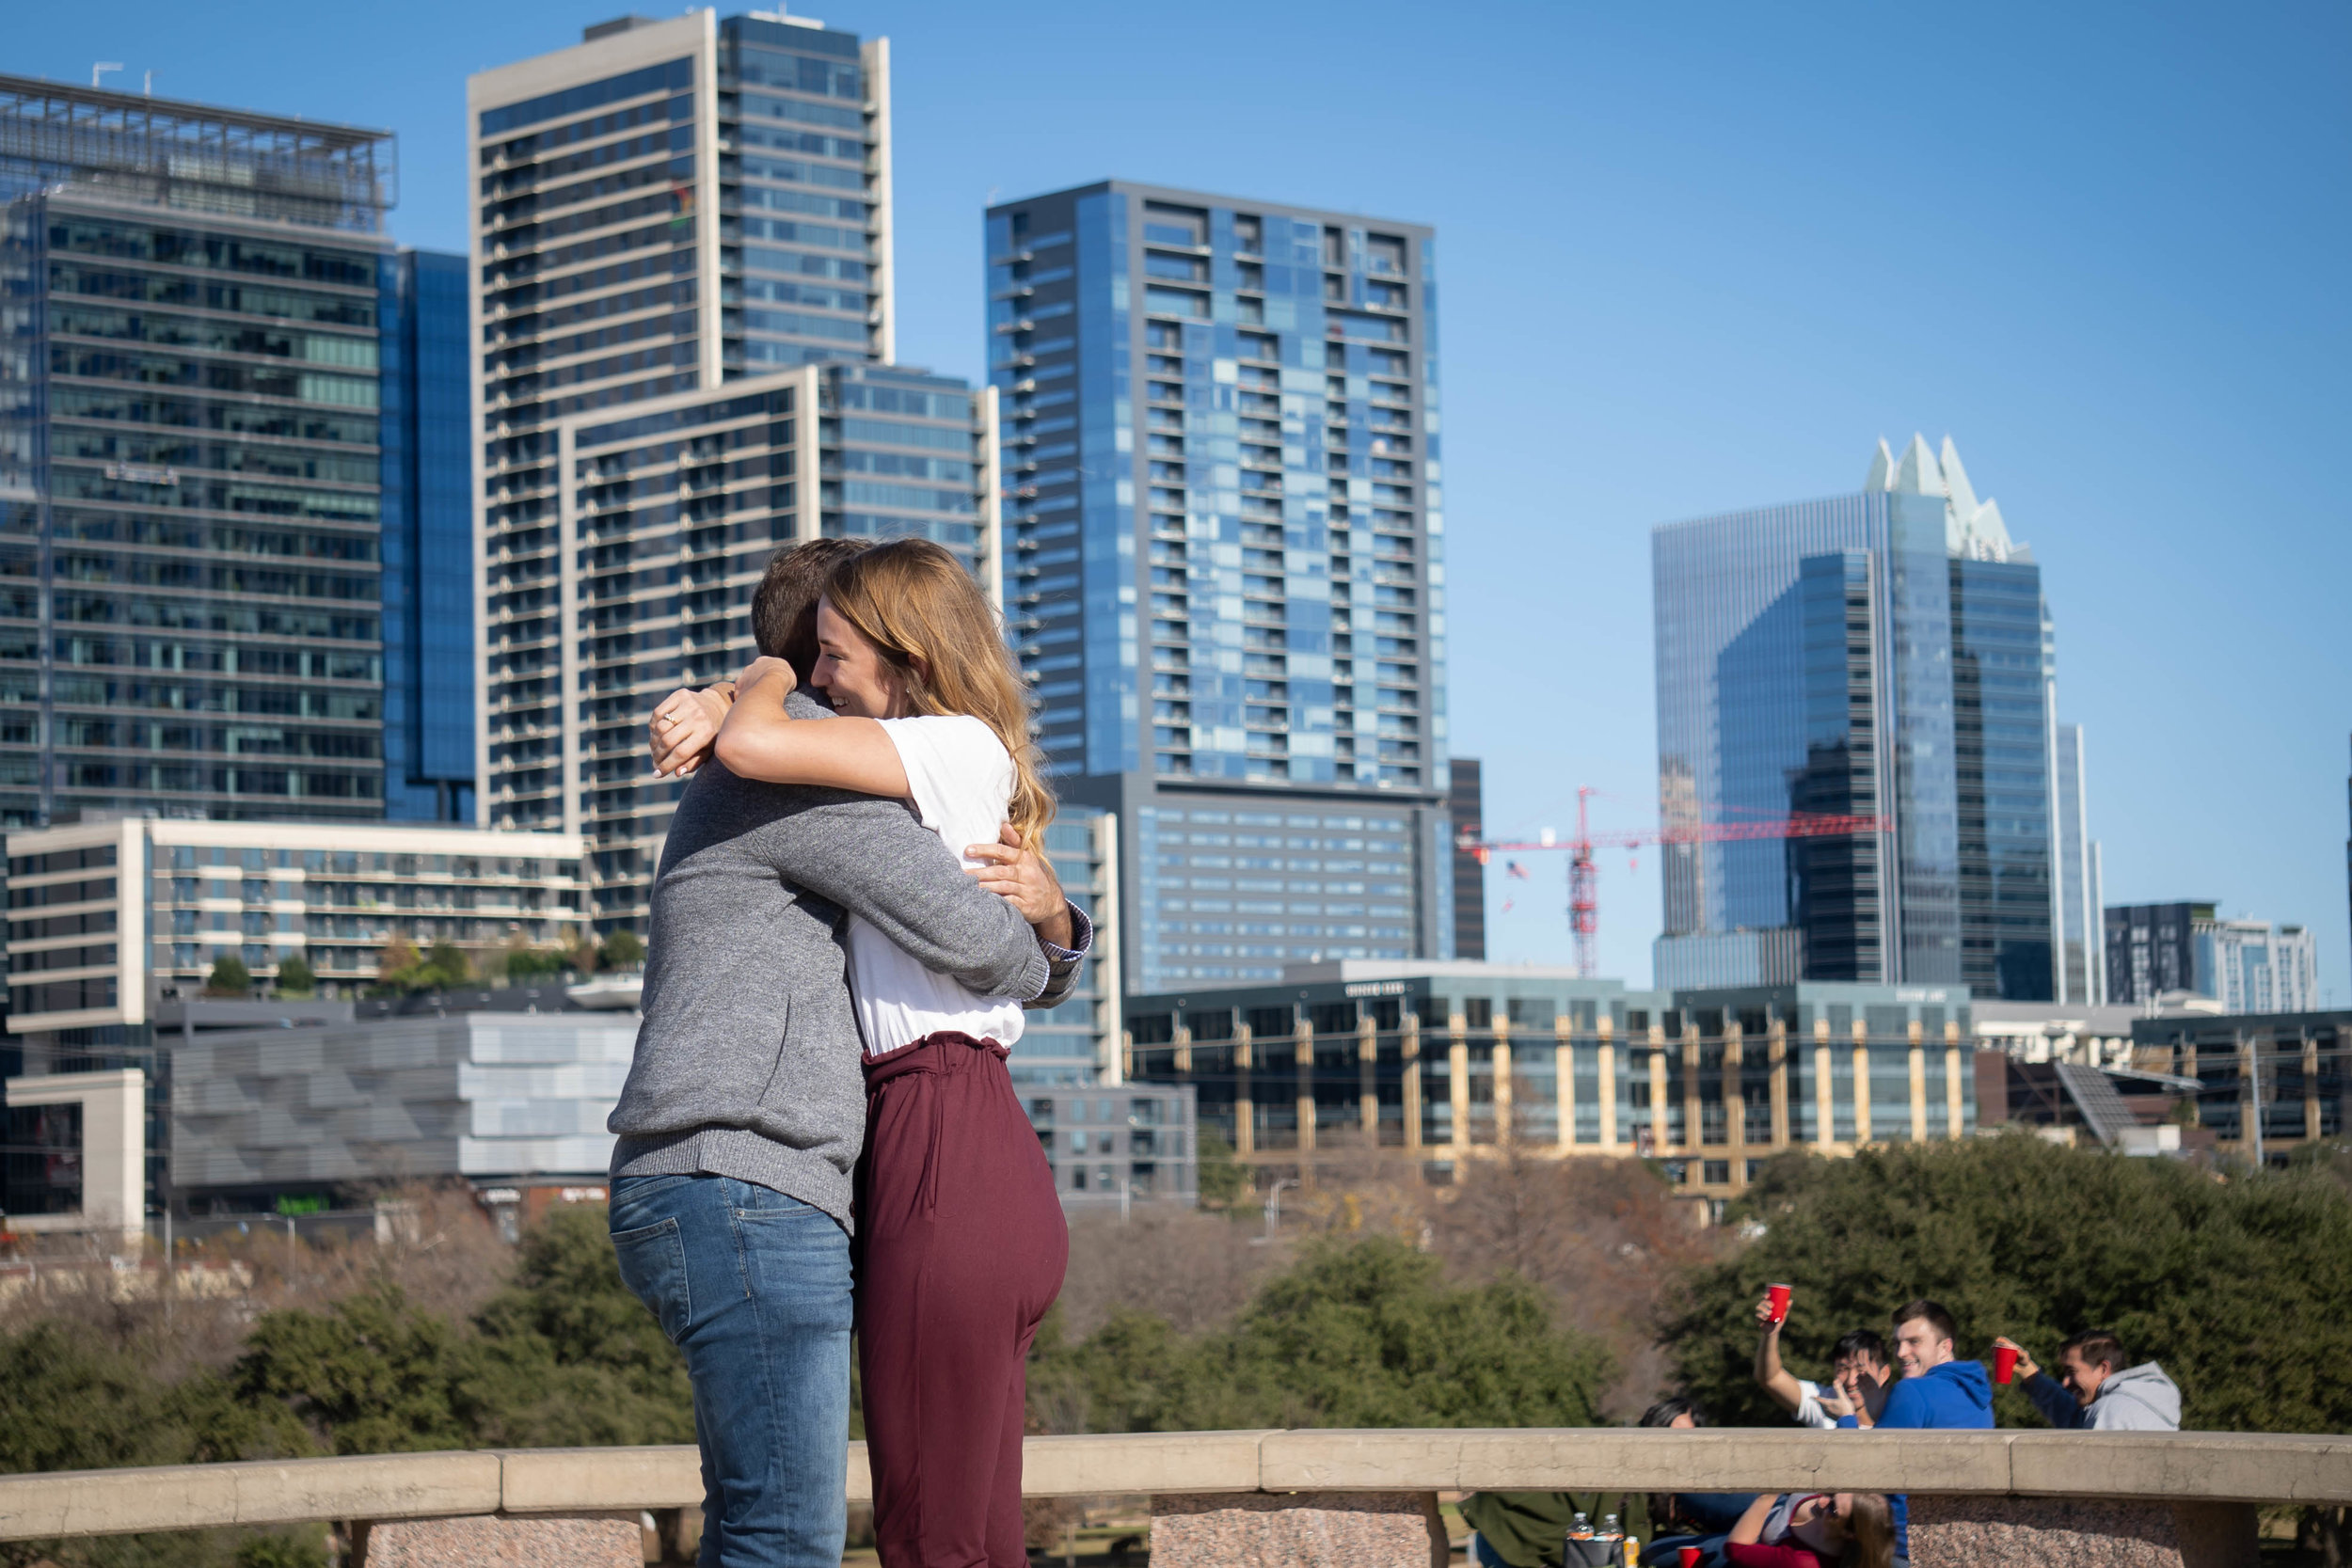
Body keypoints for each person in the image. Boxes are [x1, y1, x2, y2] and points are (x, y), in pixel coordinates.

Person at [606, 539, 1092, 1568]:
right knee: (827, 1530)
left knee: (846, 1531)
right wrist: (1052, 931)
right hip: (754, 1173)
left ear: (899, 655)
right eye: (812, 655)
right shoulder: (810, 789)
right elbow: (985, 944)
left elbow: (976, 943)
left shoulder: (880, 765)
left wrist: (1052, 922)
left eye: (834, 657)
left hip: (841, 1159)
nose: (822, 678)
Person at [1840, 1299, 1991, 1564]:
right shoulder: (1978, 1395)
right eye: (1898, 1343)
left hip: (1902, 1546)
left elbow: (1869, 1468)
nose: (1900, 1352)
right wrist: (1878, 1410)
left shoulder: (1911, 1391)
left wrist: (1846, 1419)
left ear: (1945, 1346)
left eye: (1914, 1342)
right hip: (1959, 1545)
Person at [1752, 1291, 1891, 1430]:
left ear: (1884, 1373)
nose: (1851, 1381)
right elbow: (1771, 1378)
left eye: (1861, 1370)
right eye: (1843, 1369)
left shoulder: (1897, 1405)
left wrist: (1847, 1416)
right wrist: (1771, 1334)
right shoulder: (1825, 1401)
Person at [1992, 1329, 2181, 1431]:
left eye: (2071, 1371)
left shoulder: (2111, 1411)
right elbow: (2075, 1419)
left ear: (2103, 1369)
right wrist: (2030, 1374)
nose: (2065, 1383)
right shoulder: (2131, 1400)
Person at [1724, 1492, 1895, 1568]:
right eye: (1832, 1494)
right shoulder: (1840, 1505)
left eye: (1833, 1508)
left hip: (1749, 1540)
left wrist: (1768, 1495)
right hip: (1771, 1504)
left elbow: (1735, 1550)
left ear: (1849, 1534)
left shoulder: (1804, 1562)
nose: (1822, 1501)